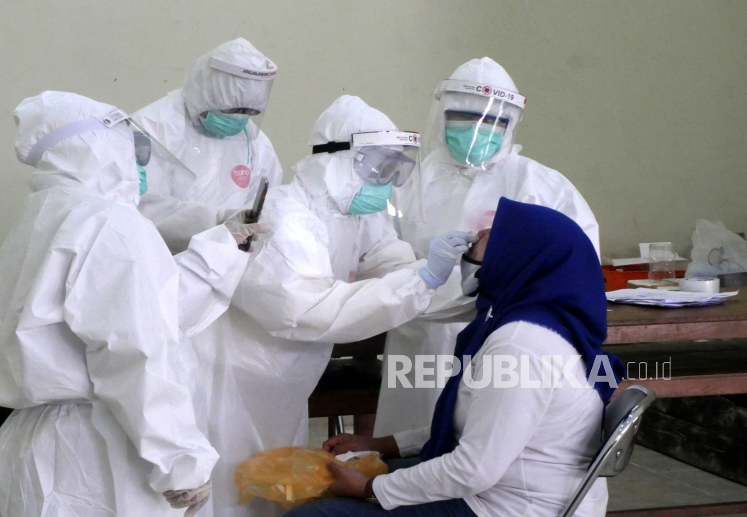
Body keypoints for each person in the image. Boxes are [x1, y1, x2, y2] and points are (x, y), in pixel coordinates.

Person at [0, 91, 260, 517]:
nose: (139, 159)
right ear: (97, 146)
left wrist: (224, 248)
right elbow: (136, 354)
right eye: (131, 143)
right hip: (98, 453)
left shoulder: (47, 212)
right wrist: (181, 462)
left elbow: (149, 307)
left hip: (45, 445)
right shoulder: (109, 222)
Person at [191, 95, 474, 517]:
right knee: (227, 492)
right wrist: (422, 280)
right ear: (334, 158)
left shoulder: (357, 215)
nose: (386, 180)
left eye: (396, 168)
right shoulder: (283, 217)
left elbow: (396, 271)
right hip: (230, 379)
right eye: (378, 166)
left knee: (272, 486)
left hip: (285, 380)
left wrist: (468, 283)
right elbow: (307, 311)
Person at [284, 198, 624, 517]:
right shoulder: (534, 321)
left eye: (485, 239)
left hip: (511, 506)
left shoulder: (521, 345)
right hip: (506, 487)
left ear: (516, 257)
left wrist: (369, 488)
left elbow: (474, 468)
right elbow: (475, 427)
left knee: (315, 513)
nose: (469, 247)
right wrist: (383, 444)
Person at [374, 57, 601, 437]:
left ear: (512, 122)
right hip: (419, 337)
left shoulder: (541, 186)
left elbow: (576, 266)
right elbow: (378, 252)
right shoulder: (409, 182)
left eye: (493, 121)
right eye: (462, 118)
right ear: (442, 114)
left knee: (486, 441)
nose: (477, 131)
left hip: (501, 339)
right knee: (408, 440)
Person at [133, 37, 283, 253]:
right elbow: (141, 208)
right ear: (204, 95)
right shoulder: (153, 127)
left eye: (250, 112)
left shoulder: (255, 141)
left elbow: (267, 206)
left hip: (225, 263)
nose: (240, 119)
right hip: (158, 260)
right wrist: (216, 221)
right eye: (231, 110)